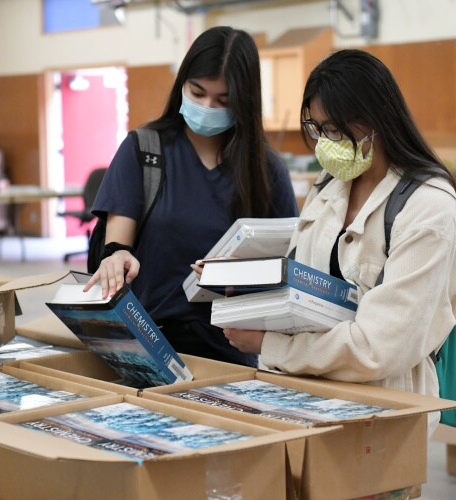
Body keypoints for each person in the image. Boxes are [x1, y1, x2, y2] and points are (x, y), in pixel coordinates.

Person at [223, 49, 456, 417]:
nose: (326, 142)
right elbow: (306, 280)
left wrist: (270, 345)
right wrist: (250, 288)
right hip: (302, 392)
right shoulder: (329, 185)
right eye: (319, 129)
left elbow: (378, 348)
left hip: (381, 409)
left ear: (378, 119)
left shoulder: (428, 208)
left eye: (337, 129)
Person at [85, 26, 299, 367]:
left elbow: (288, 265)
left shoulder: (265, 169)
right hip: (149, 346)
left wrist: (238, 276)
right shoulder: (144, 151)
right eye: (197, 92)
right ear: (181, 84)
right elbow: (117, 246)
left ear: (244, 101)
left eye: (223, 100)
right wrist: (115, 259)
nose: (207, 107)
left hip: (230, 352)